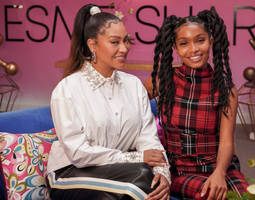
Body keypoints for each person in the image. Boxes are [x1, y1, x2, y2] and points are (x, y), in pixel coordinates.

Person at [46, 4, 170, 200]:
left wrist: (162, 173)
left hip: (118, 170)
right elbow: (78, 152)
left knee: (148, 180)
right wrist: (137, 157)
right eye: (115, 42)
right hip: (68, 173)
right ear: (92, 44)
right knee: (138, 182)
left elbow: (147, 137)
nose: (124, 48)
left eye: (126, 41)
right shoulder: (68, 89)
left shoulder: (134, 85)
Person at [144, 7, 248, 200]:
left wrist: (219, 173)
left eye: (200, 40)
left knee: (247, 197)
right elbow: (134, 118)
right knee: (212, 196)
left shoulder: (226, 88)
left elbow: (226, 142)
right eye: (184, 43)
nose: (194, 49)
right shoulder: (161, 81)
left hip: (219, 166)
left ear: (211, 40)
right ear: (175, 48)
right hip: (179, 170)